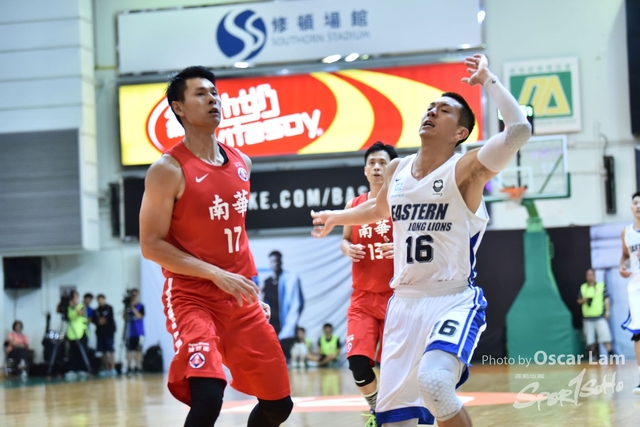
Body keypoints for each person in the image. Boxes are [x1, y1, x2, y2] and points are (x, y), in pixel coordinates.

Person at [311, 54, 532, 427]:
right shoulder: (396, 170)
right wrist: (337, 217)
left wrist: (487, 80)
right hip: (404, 304)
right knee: (395, 419)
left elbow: (519, 130)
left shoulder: (465, 169)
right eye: (431, 107)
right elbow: (378, 210)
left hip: (451, 298)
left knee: (435, 383)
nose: (432, 111)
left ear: (460, 132)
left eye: (444, 111)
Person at [139, 66, 292, 426]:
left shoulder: (242, 163)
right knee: (208, 397)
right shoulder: (167, 169)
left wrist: (248, 286)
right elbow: (151, 245)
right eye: (200, 94)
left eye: (214, 93)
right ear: (178, 108)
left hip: (239, 295)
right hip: (192, 295)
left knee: (278, 405)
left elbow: (234, 235)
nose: (212, 99)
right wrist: (214, 274)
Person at [341, 141, 397, 426]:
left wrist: (401, 249)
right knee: (358, 363)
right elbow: (344, 239)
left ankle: (398, 414)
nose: (376, 167)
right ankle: (377, 410)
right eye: (372, 163)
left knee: (393, 368)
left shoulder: (402, 205)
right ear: (365, 170)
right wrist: (346, 248)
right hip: (363, 298)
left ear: (392, 169)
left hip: (396, 298)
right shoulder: (354, 205)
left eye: (382, 163)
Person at [261, 250, 304, 359]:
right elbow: (262, 301)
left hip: (286, 323)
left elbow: (297, 303)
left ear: (281, 262)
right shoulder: (266, 282)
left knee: (286, 355)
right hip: (272, 323)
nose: (275, 264)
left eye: (277, 261)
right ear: (269, 263)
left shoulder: (290, 280)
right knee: (272, 355)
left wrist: (291, 323)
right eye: (272, 261)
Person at [620, 190, 640, 395]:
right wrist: (622, 266)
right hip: (635, 287)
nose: (638, 206)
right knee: (638, 333)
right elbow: (625, 255)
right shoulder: (626, 232)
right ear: (631, 207)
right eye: (636, 202)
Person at [577, 268, 613, 359]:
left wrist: (607, 312)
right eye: (588, 275)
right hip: (587, 318)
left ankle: (611, 356)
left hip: (600, 317)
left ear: (595, 275)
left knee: (605, 337)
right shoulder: (583, 287)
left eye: (591, 275)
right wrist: (585, 300)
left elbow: (606, 299)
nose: (590, 277)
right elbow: (578, 300)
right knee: (590, 340)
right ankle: (592, 357)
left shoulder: (601, 286)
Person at [66, 290, 90, 379]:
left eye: (75, 297)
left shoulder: (81, 306)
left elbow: (81, 313)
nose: (74, 299)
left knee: (82, 352)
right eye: (72, 297)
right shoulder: (68, 307)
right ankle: (72, 370)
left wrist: (75, 306)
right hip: (72, 333)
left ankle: (82, 369)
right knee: (72, 353)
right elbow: (59, 310)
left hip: (81, 333)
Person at [92, 294, 116, 376]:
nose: (100, 301)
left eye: (101, 299)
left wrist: (103, 320)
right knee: (103, 351)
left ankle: (113, 368)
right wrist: (100, 321)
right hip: (100, 333)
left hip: (109, 333)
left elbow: (109, 319)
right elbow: (96, 320)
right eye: (99, 300)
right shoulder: (96, 310)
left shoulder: (109, 308)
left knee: (111, 350)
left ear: (104, 299)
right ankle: (107, 368)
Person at [124, 289, 145, 375]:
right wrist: (127, 308)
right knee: (129, 350)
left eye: (135, 295)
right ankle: (129, 367)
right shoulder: (128, 307)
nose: (133, 297)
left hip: (139, 332)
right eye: (132, 295)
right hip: (130, 332)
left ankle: (137, 367)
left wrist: (132, 308)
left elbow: (139, 316)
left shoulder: (141, 306)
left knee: (138, 350)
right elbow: (124, 317)